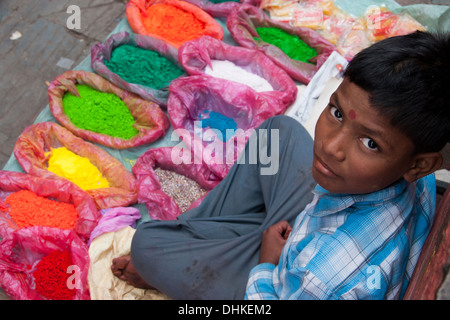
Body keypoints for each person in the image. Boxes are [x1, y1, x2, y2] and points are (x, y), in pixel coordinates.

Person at [111, 31, 450, 300]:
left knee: (147, 247)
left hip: (286, 278)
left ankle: (185, 258)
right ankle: (202, 241)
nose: (331, 147)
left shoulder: (321, 280)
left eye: (370, 143)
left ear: (419, 165)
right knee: (279, 133)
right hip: (335, 212)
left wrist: (267, 264)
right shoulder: (407, 164)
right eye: (336, 113)